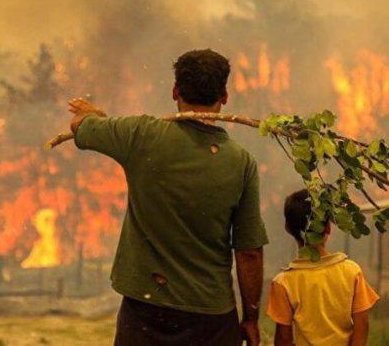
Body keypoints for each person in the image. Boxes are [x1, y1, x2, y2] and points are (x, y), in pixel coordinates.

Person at [67, 49, 268, 346]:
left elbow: (79, 126)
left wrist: (94, 117)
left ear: (175, 92)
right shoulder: (241, 163)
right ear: (224, 97)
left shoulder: (139, 136)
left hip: (145, 313)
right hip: (210, 318)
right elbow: (249, 251)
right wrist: (251, 318)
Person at [267, 190, 379, 346]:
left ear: (288, 228)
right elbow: (362, 326)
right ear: (328, 228)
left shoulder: (283, 282)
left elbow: (283, 339)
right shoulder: (352, 271)